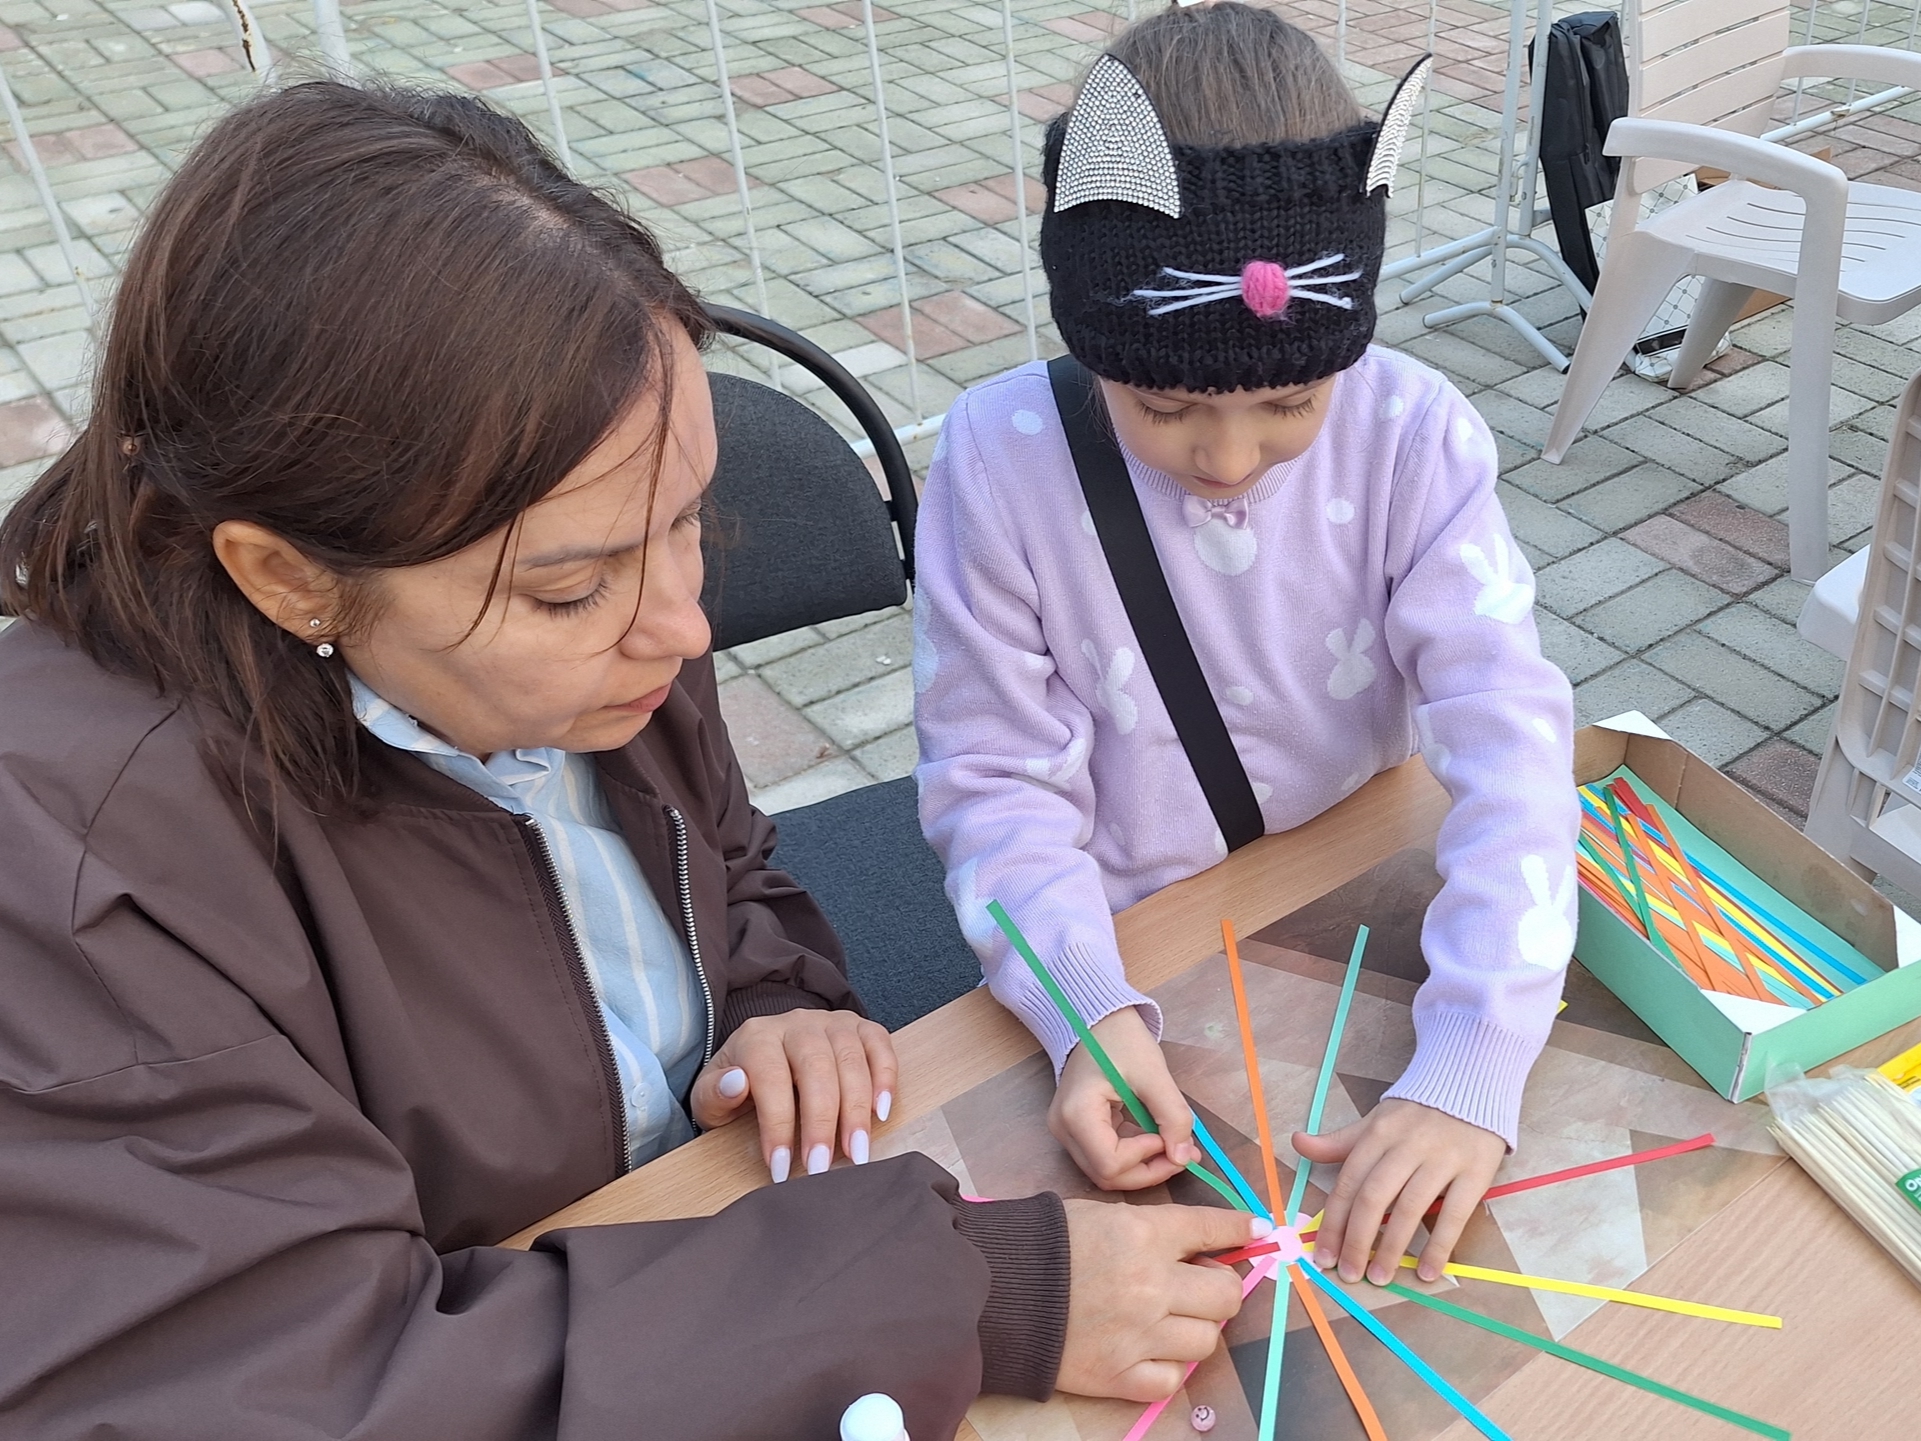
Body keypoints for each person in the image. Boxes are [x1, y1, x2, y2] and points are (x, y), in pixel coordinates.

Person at [0, 82, 1269, 1439]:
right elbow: (293, 1385)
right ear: (292, 579)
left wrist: (772, 999)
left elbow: (729, 865)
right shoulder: (71, 878)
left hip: (710, 1272)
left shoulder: (611, 643)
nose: (684, 622)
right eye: (569, 587)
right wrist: (957, 1292)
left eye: (688, 522)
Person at [913, 3, 1580, 1290]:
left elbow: (1511, 741)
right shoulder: (998, 463)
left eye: (1290, 400)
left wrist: (1475, 1053)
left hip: (1358, 889)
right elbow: (992, 783)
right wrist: (1084, 1015)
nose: (1226, 458)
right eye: (1163, 403)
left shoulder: (1413, 434)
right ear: (1090, 338)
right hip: (1130, 941)